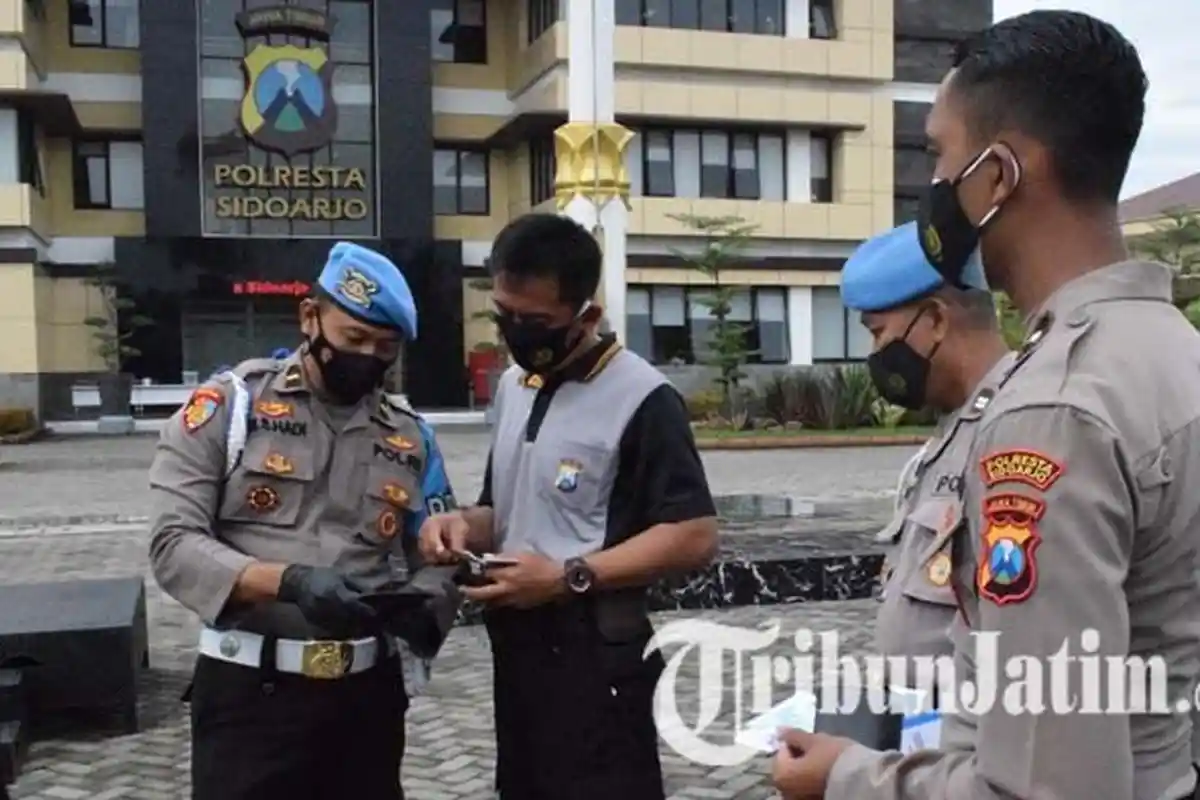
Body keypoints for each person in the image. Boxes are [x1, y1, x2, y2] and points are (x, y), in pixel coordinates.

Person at [773, 10, 1200, 800]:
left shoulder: (1056, 408)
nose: (934, 190)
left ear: (999, 175)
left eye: (941, 156)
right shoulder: (1172, 352)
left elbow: (1043, 786)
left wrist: (849, 778)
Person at [418, 213, 719, 800]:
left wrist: (566, 577)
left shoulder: (643, 399)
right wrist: (461, 525)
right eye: (503, 315)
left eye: (535, 322)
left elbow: (695, 534)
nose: (516, 334)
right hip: (519, 651)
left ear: (588, 316)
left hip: (597, 659)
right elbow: (500, 508)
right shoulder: (514, 386)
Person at [148, 242, 461, 800]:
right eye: (354, 339)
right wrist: (287, 581)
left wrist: (423, 606)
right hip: (251, 697)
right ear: (309, 317)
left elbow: (438, 552)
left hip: (367, 702)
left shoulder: (413, 437)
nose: (367, 357)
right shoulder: (229, 408)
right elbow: (174, 544)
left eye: (384, 347)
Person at [842, 222, 1013, 684]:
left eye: (878, 333)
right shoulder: (949, 434)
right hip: (924, 738)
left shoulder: (1016, 432)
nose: (875, 353)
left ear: (936, 320)